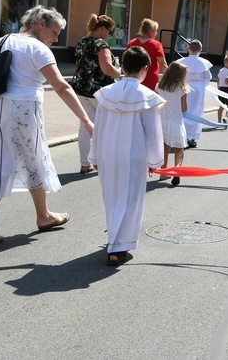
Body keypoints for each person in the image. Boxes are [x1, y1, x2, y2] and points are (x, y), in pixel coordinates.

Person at [0, 6, 94, 248]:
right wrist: (86, 120)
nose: (56, 38)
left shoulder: (2, 40)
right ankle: (43, 216)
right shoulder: (38, 49)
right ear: (41, 23)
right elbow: (62, 87)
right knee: (34, 159)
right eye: (55, 32)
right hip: (23, 109)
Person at [89, 46, 164, 266]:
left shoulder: (106, 93)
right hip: (134, 154)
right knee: (131, 198)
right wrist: (154, 160)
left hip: (107, 153)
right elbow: (153, 132)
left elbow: (98, 127)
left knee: (112, 196)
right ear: (144, 69)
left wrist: (94, 156)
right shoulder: (147, 96)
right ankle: (118, 246)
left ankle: (114, 239)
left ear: (121, 66)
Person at [71, 14, 122, 174]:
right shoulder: (101, 45)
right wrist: (119, 71)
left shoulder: (82, 42)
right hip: (100, 91)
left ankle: (85, 163)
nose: (110, 35)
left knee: (86, 126)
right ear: (101, 29)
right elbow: (107, 68)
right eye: (110, 31)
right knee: (109, 126)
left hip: (81, 89)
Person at [156, 61, 189, 186]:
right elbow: (184, 108)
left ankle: (163, 172)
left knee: (165, 147)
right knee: (179, 148)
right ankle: (177, 170)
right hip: (176, 121)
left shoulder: (159, 86)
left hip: (162, 120)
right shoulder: (182, 89)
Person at [178, 39, 213, 148]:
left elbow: (178, 76)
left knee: (183, 110)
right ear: (200, 50)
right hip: (198, 88)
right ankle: (192, 137)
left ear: (188, 49)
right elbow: (208, 77)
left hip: (185, 87)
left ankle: (182, 135)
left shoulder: (181, 61)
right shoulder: (203, 62)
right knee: (197, 112)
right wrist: (203, 86)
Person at [126, 18, 168, 90]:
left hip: (133, 79)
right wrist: (169, 77)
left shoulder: (132, 43)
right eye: (155, 31)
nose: (156, 33)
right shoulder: (156, 45)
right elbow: (163, 64)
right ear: (150, 32)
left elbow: (126, 61)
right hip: (151, 81)